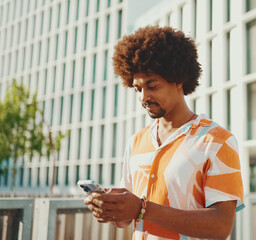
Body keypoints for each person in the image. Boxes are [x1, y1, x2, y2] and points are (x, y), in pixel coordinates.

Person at [84, 26, 245, 240]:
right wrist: (112, 208)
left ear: (178, 79)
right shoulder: (136, 142)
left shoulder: (217, 142)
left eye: (152, 86)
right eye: (138, 89)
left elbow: (221, 226)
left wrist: (142, 208)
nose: (143, 97)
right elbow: (126, 220)